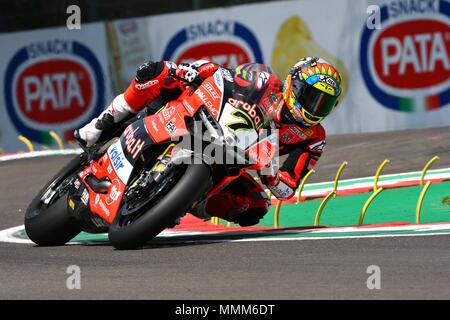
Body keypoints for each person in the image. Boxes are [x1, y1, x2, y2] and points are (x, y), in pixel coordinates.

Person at [75, 57, 342, 226]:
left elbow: (287, 188)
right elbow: (224, 73)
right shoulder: (265, 82)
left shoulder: (313, 138)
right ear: (293, 86)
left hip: (236, 158)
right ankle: (101, 124)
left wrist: (271, 174)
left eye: (324, 103)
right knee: (155, 72)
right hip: (207, 118)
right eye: (311, 96)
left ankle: (188, 201)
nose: (315, 107)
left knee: (255, 207)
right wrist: (193, 71)